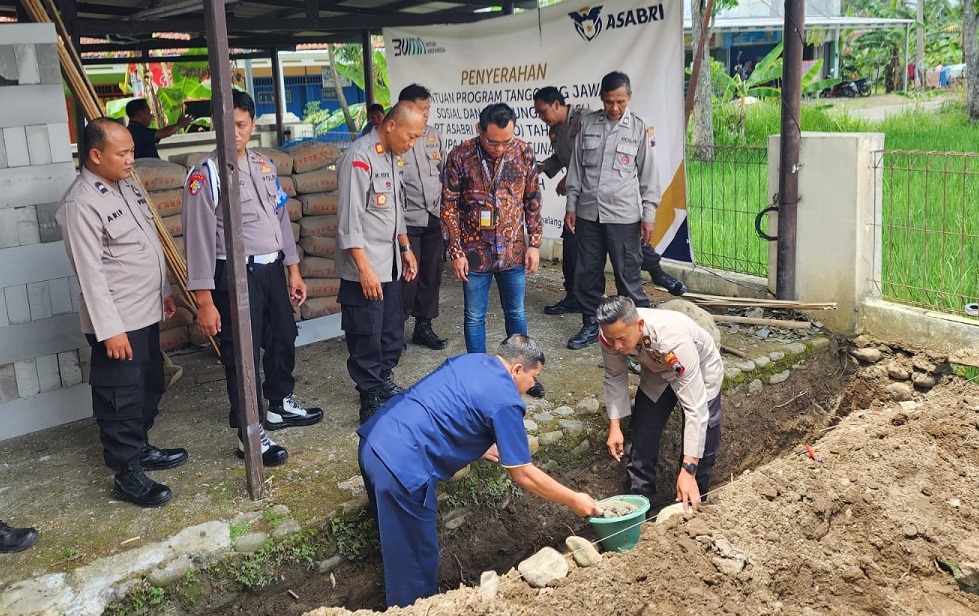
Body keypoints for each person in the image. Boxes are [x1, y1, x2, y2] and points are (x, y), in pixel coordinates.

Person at [358, 334, 600, 608]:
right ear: (517, 369)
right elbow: (523, 473)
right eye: (533, 379)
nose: (531, 387)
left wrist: (475, 443)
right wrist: (573, 499)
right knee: (416, 563)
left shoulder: (471, 361)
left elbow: (444, 405)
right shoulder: (506, 400)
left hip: (374, 441)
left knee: (398, 542)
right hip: (402, 468)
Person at [183, 90, 323, 466]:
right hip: (234, 272)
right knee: (241, 352)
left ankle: (278, 404)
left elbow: (280, 218)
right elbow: (196, 241)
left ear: (252, 125)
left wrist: (292, 267)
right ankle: (250, 431)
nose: (235, 133)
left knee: (283, 337)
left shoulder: (263, 165)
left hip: (271, 268)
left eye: (241, 125)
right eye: (227, 126)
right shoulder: (205, 175)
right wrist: (205, 300)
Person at [57, 118, 187, 507]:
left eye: (132, 150)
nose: (132, 158)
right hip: (116, 322)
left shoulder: (126, 185)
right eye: (123, 152)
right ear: (96, 155)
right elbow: (90, 273)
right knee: (121, 397)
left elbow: (148, 244)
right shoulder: (80, 203)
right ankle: (126, 473)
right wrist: (109, 330)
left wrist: (163, 291)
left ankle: (141, 446)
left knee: (149, 385)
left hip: (144, 312)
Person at [564, 71, 685, 352]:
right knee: (587, 273)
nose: (614, 108)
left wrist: (649, 215)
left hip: (624, 216)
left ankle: (641, 334)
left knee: (627, 276)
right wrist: (571, 205)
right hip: (589, 214)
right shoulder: (587, 124)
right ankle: (592, 325)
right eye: (608, 102)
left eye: (619, 101)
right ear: (602, 99)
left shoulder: (640, 128)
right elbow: (577, 169)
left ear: (629, 97)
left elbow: (648, 176)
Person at [441, 104, 545, 398]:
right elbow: (448, 207)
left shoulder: (523, 152)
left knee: (516, 312)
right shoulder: (460, 156)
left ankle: (524, 375)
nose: (499, 148)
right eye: (492, 141)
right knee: (475, 316)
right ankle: (479, 377)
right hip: (474, 254)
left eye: (505, 142)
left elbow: (533, 200)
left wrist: (534, 243)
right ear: (479, 130)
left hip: (512, 250)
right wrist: (456, 251)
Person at [336, 102, 424, 423]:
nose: (411, 143)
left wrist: (405, 247)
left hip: (390, 264)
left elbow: (394, 209)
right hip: (366, 268)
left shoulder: (391, 156)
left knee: (390, 329)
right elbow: (350, 221)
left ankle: (383, 380)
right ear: (390, 125)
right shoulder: (359, 157)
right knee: (366, 332)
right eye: (410, 136)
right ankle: (369, 396)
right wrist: (363, 268)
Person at [596, 296, 722, 513]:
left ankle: (693, 503)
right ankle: (639, 509)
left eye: (622, 339)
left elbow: (696, 410)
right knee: (643, 434)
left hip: (699, 370)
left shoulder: (674, 339)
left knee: (704, 435)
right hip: (657, 373)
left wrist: (689, 470)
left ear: (640, 325)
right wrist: (615, 427)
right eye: (611, 339)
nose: (617, 346)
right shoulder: (610, 334)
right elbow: (615, 376)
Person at [398, 84, 448, 351]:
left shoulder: (433, 136)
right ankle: (396, 329)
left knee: (432, 272)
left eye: (428, 108)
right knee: (407, 276)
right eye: (421, 109)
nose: (426, 114)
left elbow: (443, 174)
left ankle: (423, 327)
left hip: (434, 216)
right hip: (407, 220)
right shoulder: (395, 138)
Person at [533, 86, 587, 316]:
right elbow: (561, 157)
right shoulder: (555, 130)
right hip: (575, 198)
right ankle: (573, 296)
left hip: (595, 196)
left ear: (556, 104)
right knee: (571, 247)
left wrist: (569, 177)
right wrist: (542, 168)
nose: (542, 117)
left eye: (544, 111)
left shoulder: (585, 120)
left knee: (590, 252)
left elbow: (589, 155)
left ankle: (591, 304)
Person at [125, 98, 192, 159]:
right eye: (148, 113)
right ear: (140, 115)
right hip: (147, 167)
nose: (151, 115)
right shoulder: (137, 131)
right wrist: (180, 124)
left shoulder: (132, 129)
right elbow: (165, 133)